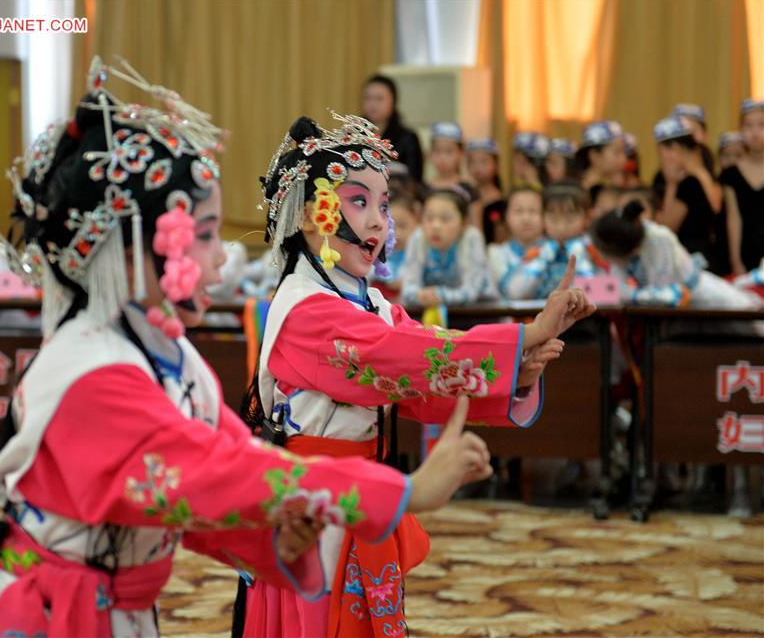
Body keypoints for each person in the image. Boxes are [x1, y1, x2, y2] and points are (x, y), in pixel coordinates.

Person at [0, 58, 493, 638]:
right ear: (136, 246)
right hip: (42, 612)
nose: (222, 257)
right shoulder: (88, 372)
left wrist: (271, 533)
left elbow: (213, 479)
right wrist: (400, 492)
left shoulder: (173, 358)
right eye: (207, 235)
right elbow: (214, 472)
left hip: (112, 606)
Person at [239, 111, 596, 637]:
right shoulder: (305, 309)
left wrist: (520, 365)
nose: (381, 221)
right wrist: (523, 337)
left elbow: (422, 362)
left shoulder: (369, 303)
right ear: (315, 217)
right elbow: (399, 358)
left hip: (363, 492)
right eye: (359, 202)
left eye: (383, 205)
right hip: (315, 504)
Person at [590, 200, 762, 315]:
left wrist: (629, 295)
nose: (604, 259)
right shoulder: (624, 238)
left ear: (631, 251)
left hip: (701, 296)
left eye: (607, 255)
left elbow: (668, 297)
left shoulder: (660, 240)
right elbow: (615, 288)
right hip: (680, 310)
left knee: (749, 314)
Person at [652, 115, 725, 274]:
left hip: (694, 261)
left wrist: (671, 184)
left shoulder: (689, 184)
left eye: (661, 152)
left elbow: (666, 229)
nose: (662, 160)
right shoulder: (707, 176)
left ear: (675, 150)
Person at [401, 187, 497, 307]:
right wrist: (421, 296)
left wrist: (439, 295)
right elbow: (408, 289)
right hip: (430, 314)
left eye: (445, 219)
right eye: (429, 218)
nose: (436, 226)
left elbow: (472, 291)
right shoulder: (418, 238)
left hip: (479, 313)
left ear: (464, 223)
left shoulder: (472, 238)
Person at [721, 99, 764, 276]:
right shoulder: (731, 174)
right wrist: (735, 261)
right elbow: (734, 219)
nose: (755, 132)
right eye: (748, 126)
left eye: (762, 125)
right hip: (746, 253)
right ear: (740, 130)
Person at [488, 186, 550, 300]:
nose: (526, 218)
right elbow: (510, 292)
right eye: (518, 211)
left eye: (533, 211)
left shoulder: (556, 249)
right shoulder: (496, 253)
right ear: (506, 216)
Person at [361, 74, 424, 183]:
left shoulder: (407, 138)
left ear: (393, 101)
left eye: (379, 98)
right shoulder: (355, 133)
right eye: (368, 98)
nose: (372, 104)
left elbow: (415, 180)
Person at [466, 137, 506, 243]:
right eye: (472, 162)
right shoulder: (465, 194)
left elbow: (501, 237)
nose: (477, 167)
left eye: (484, 161)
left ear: (496, 165)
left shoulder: (501, 201)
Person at [575, 120, 626, 192]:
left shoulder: (609, 186)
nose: (623, 159)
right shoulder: (580, 192)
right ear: (594, 156)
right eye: (616, 152)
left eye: (624, 152)